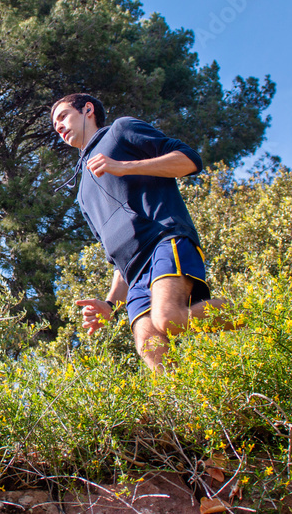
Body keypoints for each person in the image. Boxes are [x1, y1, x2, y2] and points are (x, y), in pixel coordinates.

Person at [50, 93, 233, 371]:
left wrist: (123, 167)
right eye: (55, 125)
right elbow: (118, 260)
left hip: (164, 239)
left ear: (87, 109)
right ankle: (182, 410)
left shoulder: (120, 131)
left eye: (63, 116)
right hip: (134, 274)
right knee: (151, 349)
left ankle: (259, 313)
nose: (59, 127)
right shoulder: (83, 196)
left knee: (169, 318)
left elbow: (190, 160)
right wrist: (110, 304)